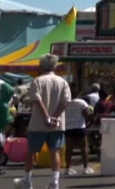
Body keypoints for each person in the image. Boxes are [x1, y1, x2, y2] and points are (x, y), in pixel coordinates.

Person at [14, 54, 72, 189]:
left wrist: (46, 116)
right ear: (55, 66)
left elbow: (37, 100)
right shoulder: (62, 82)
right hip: (57, 125)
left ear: (40, 66)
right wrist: (55, 117)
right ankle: (54, 182)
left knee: (31, 151)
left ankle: (27, 181)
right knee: (54, 152)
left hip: (38, 123)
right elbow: (66, 102)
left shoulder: (37, 81)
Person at [62, 92, 93, 176]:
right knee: (83, 147)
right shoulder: (81, 102)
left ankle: (68, 168)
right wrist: (88, 121)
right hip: (80, 126)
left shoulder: (65, 103)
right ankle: (86, 167)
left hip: (68, 127)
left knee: (69, 148)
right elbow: (86, 113)